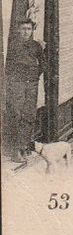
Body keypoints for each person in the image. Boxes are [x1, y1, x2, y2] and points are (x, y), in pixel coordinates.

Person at [5, 20, 45, 161]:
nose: (26, 32)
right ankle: (16, 149)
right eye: (23, 29)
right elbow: (7, 67)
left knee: (29, 115)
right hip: (17, 84)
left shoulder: (36, 46)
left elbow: (42, 65)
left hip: (31, 85)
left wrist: (33, 79)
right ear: (18, 30)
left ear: (32, 30)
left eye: (28, 29)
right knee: (17, 114)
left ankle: (24, 147)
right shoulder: (12, 47)